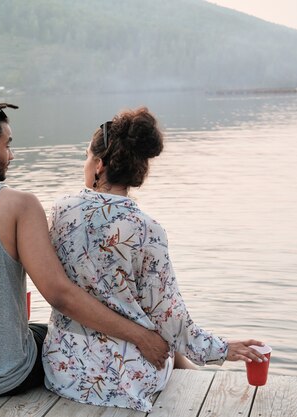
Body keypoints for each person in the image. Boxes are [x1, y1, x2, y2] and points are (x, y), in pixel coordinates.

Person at [0, 99, 170, 398]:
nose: (11, 155)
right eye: (7, 145)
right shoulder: (19, 204)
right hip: (0, 377)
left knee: (33, 329)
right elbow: (60, 295)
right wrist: (142, 337)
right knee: (58, 338)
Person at [42, 107, 267, 411]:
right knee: (162, 338)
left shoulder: (61, 209)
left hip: (62, 370)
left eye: (85, 157)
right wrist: (226, 349)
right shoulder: (147, 229)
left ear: (98, 165)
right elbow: (170, 319)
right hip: (123, 380)